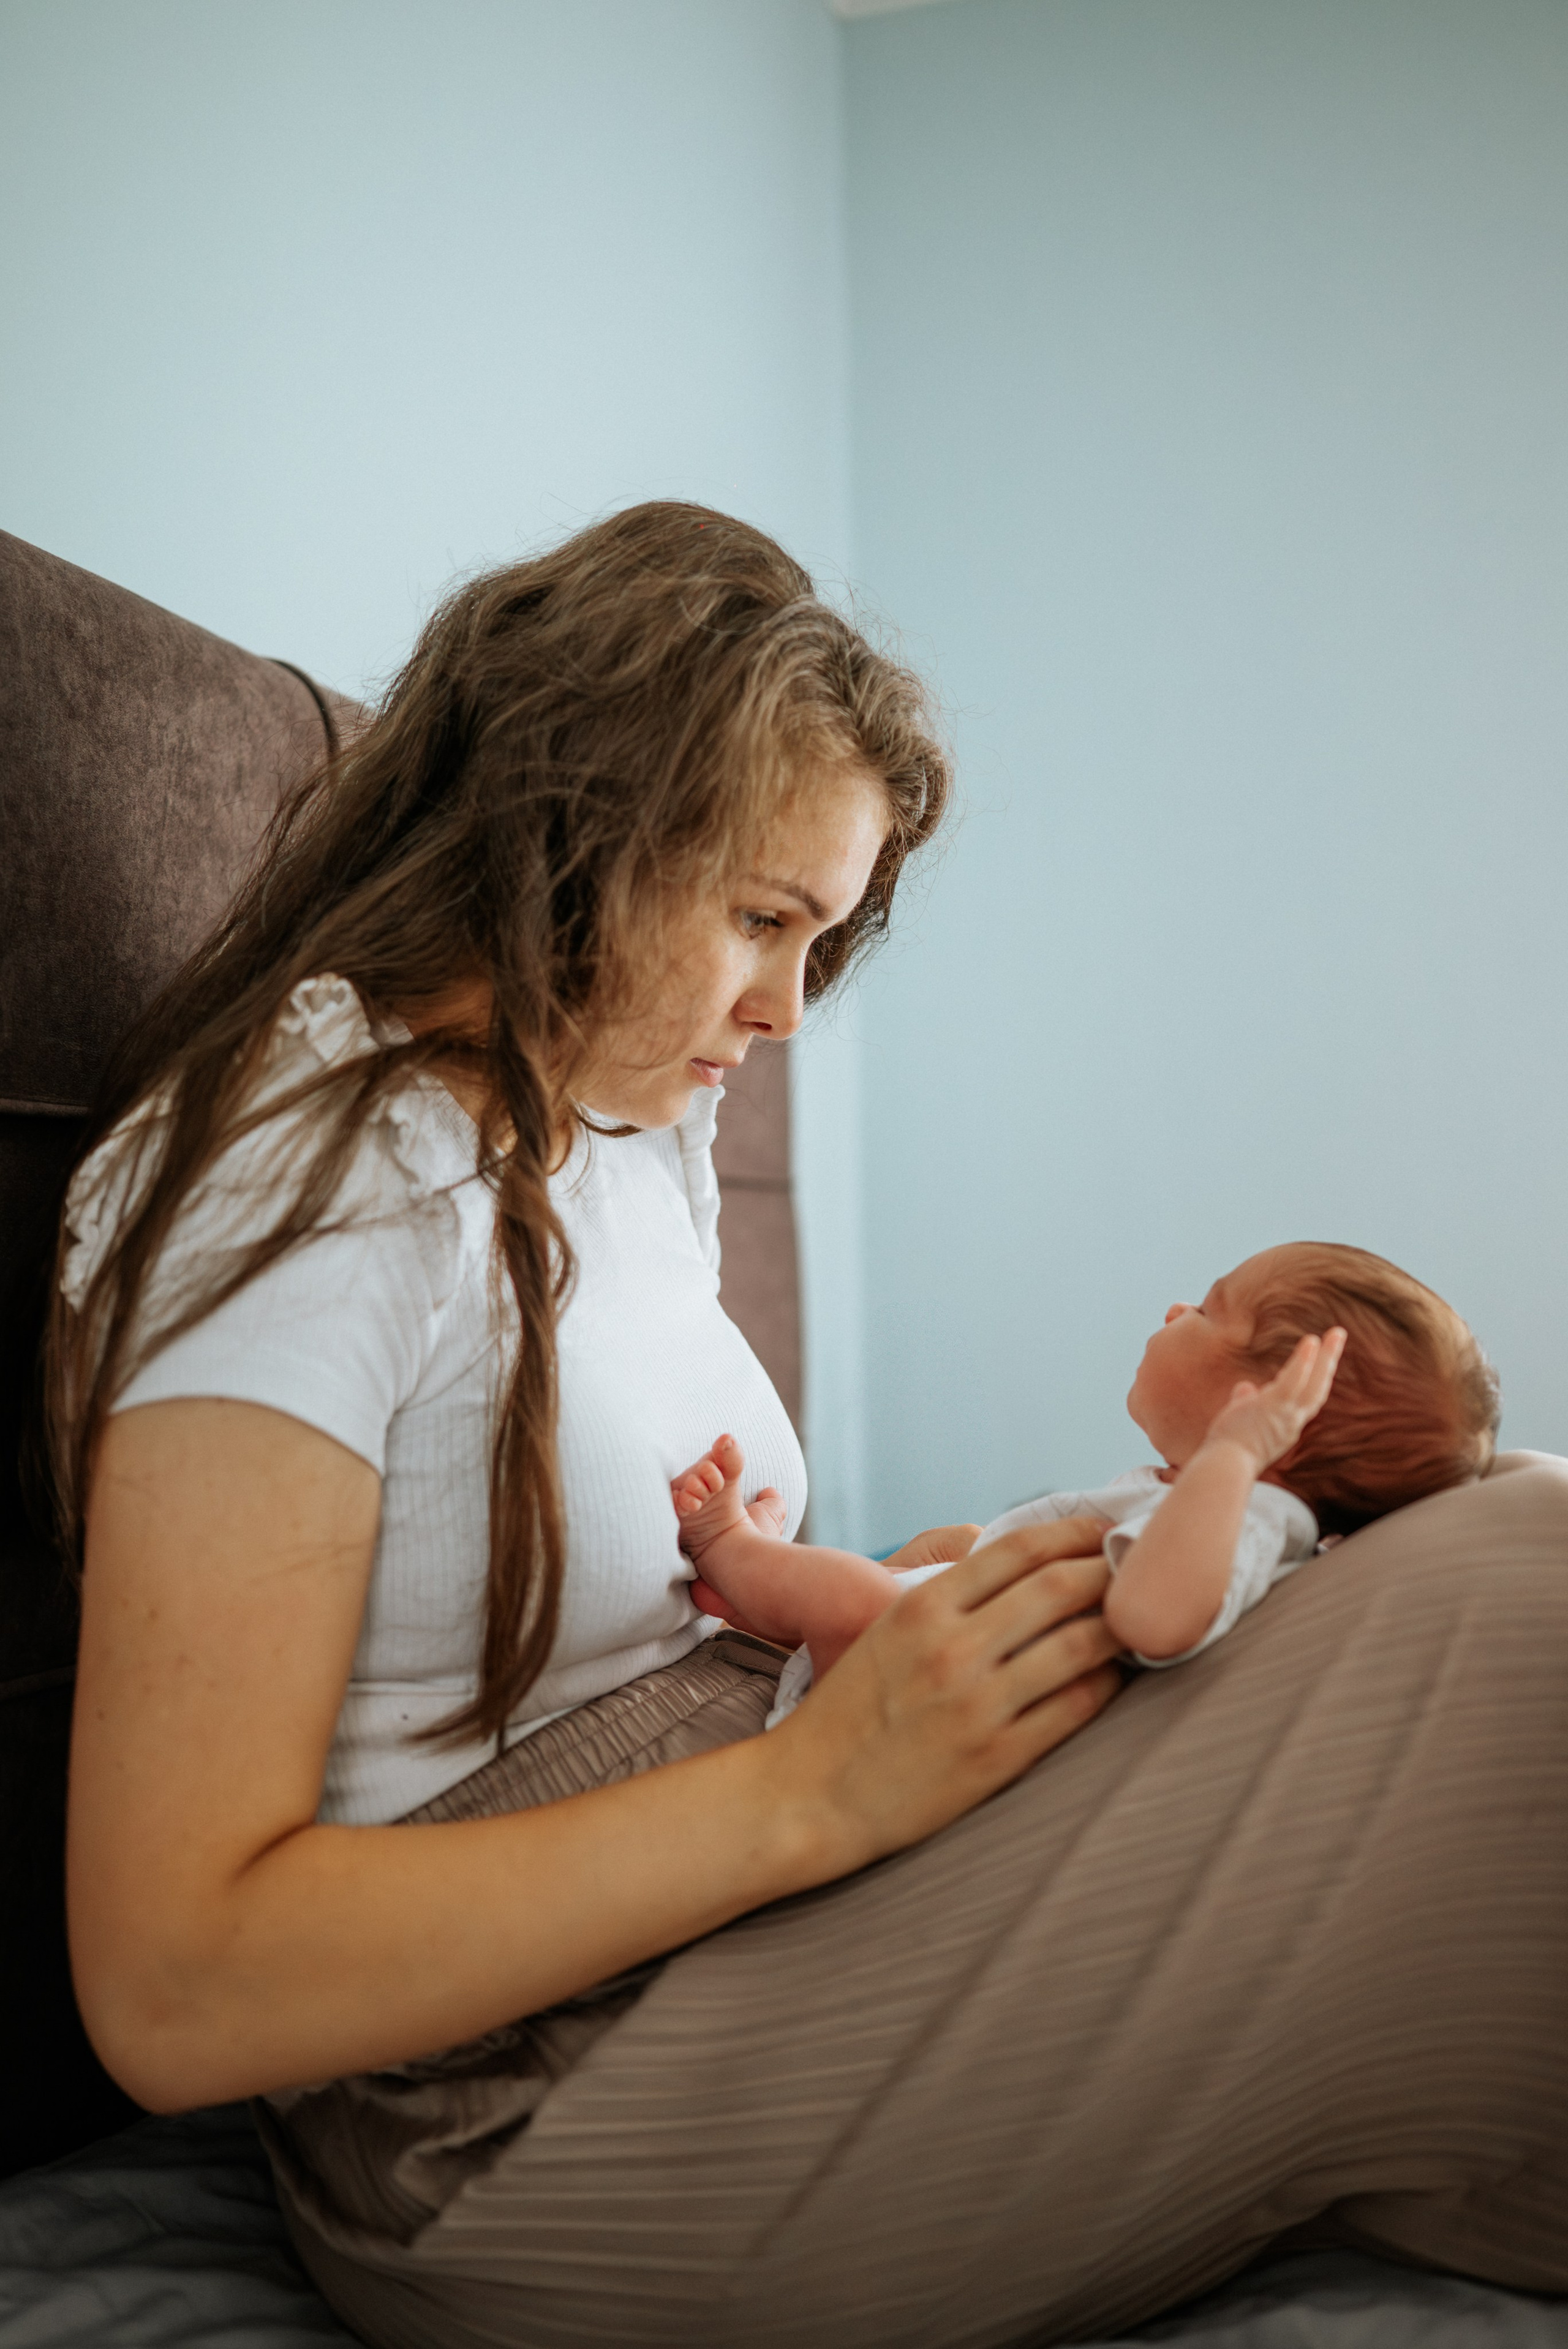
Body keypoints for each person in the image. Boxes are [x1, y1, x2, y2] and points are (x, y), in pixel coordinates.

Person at [49, 503, 1568, 2349]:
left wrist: (903, 1625)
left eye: (816, 937)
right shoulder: (315, 1176)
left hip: (740, 1912)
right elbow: (176, 1984)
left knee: (1455, 1538)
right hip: (510, 2102)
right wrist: (818, 1786)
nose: (781, 1008)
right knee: (1522, 1581)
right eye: (762, 919)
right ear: (567, 832)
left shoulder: (621, 1138)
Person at [673, 1243, 1501, 1703]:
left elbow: (1153, 1618)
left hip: (919, 1697)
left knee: (863, 1600)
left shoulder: (1259, 1518)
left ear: (1265, 1415)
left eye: (1208, 1309)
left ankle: (732, 1548)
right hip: (939, 1648)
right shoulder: (1230, 1506)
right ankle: (766, 1595)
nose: (1176, 1311)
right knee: (943, 1553)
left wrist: (1232, 1457)